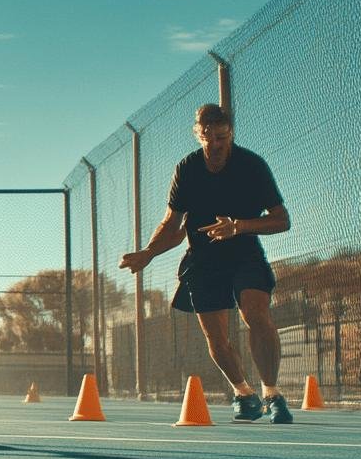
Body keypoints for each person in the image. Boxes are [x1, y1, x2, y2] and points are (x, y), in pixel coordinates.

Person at [118, 103, 293, 423]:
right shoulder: (187, 169)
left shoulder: (252, 166)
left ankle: (272, 393)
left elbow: (282, 220)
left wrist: (238, 226)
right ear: (198, 135)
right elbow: (173, 225)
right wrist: (148, 252)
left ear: (231, 134)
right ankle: (244, 393)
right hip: (203, 259)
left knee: (256, 313)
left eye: (221, 138)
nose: (214, 145)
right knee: (217, 339)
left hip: (244, 253)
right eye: (207, 138)